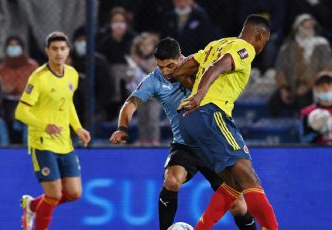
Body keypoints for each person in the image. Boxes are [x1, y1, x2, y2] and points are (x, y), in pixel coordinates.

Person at [110, 37, 256, 230]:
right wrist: (122, 128)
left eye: (170, 65)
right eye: (161, 67)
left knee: (238, 205)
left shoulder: (201, 65)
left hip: (213, 144)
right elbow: (131, 104)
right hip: (185, 144)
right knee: (171, 180)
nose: (166, 72)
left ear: (181, 57)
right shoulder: (154, 80)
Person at [174, 15, 278, 229]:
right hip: (210, 113)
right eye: (264, 42)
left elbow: (180, 70)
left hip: (188, 121)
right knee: (250, 178)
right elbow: (220, 65)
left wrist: (194, 90)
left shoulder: (217, 44)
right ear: (260, 35)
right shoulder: (245, 48)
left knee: (233, 184)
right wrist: (201, 94)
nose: (262, 47)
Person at [15, 32, 91, 230]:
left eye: (62, 49)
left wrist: (78, 127)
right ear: (47, 51)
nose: (59, 53)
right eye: (54, 49)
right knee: (54, 194)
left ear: (68, 51)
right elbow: (21, 111)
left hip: (64, 142)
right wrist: (44, 125)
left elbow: (67, 104)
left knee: (74, 193)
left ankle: (32, 206)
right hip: (42, 141)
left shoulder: (72, 74)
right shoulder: (39, 78)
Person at [269, 13, 332, 117]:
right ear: (298, 28)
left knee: (304, 101)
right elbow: (280, 69)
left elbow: (326, 68)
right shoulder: (287, 48)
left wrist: (308, 85)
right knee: (274, 101)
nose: (309, 29)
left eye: (311, 26)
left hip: (315, 85)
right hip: (292, 84)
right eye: (305, 26)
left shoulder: (322, 46)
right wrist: (283, 88)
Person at [0, 35, 38, 143]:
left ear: (22, 48)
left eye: (16, 45)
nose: (13, 48)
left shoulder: (32, 66)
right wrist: (4, 90)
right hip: (7, 103)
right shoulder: (1, 69)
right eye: (11, 46)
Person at [125, 32, 162, 145]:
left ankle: (154, 139)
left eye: (148, 45)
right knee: (142, 118)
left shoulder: (157, 59)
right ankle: (143, 139)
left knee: (152, 117)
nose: (145, 48)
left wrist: (139, 62)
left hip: (154, 96)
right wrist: (130, 76)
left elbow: (152, 70)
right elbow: (130, 78)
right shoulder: (134, 62)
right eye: (142, 45)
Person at [300, 74, 332, 145]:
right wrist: (316, 131)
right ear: (316, 89)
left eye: (329, 84)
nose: (326, 88)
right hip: (319, 154)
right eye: (322, 85)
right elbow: (303, 141)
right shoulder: (307, 113)